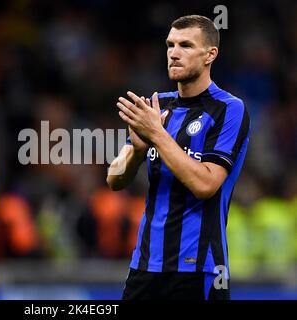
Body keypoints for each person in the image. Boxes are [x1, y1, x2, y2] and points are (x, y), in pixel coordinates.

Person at [107, 15, 251, 300]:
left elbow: (206, 185)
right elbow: (114, 179)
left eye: (185, 45)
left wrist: (158, 136)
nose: (174, 53)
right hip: (145, 266)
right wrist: (136, 151)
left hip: (200, 268)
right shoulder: (158, 106)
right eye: (170, 44)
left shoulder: (228, 109)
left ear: (211, 54)